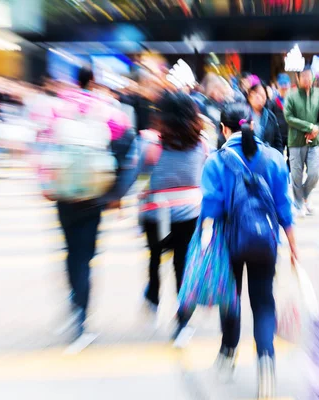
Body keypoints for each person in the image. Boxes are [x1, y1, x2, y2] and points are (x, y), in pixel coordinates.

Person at [200, 102, 297, 397]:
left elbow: (210, 209)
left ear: (223, 129)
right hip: (265, 241)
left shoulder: (215, 162)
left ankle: (228, 354)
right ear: (252, 125)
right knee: (263, 302)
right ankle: (266, 364)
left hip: (229, 242)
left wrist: (203, 247)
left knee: (231, 299)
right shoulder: (274, 159)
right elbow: (284, 208)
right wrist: (294, 248)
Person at [52, 67, 138, 340]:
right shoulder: (106, 108)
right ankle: (81, 316)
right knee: (86, 255)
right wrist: (116, 191)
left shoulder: (60, 105)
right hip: (94, 191)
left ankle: (74, 301)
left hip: (64, 190)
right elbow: (127, 140)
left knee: (70, 249)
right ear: (92, 82)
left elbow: (42, 142)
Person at [138, 93, 208, 335]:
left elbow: (136, 172)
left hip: (156, 213)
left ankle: (153, 296)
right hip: (189, 214)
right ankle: (183, 321)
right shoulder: (201, 143)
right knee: (182, 265)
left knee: (155, 257)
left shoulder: (151, 144)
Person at [284, 67, 319, 216]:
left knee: (315, 173)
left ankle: (304, 196)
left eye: (309, 77)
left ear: (313, 78)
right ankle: (299, 204)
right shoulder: (291, 95)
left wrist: (317, 128)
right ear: (298, 78)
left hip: (314, 141)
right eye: (303, 77)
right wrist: (309, 126)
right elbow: (288, 117)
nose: (307, 80)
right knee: (296, 175)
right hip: (296, 141)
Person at [192, 73, 227, 149]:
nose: (221, 95)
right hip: (205, 144)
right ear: (211, 87)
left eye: (223, 93)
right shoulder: (201, 102)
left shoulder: (217, 104)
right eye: (219, 91)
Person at [247, 83, 283, 151]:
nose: (260, 98)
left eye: (263, 95)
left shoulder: (270, 116)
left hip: (267, 157)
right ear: (250, 96)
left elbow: (278, 141)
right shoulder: (244, 115)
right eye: (256, 95)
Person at [268, 73, 291, 155]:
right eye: (282, 84)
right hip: (278, 134)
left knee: (291, 159)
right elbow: (270, 118)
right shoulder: (273, 101)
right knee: (278, 156)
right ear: (278, 84)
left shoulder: (293, 101)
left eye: (286, 84)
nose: (284, 87)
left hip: (291, 134)